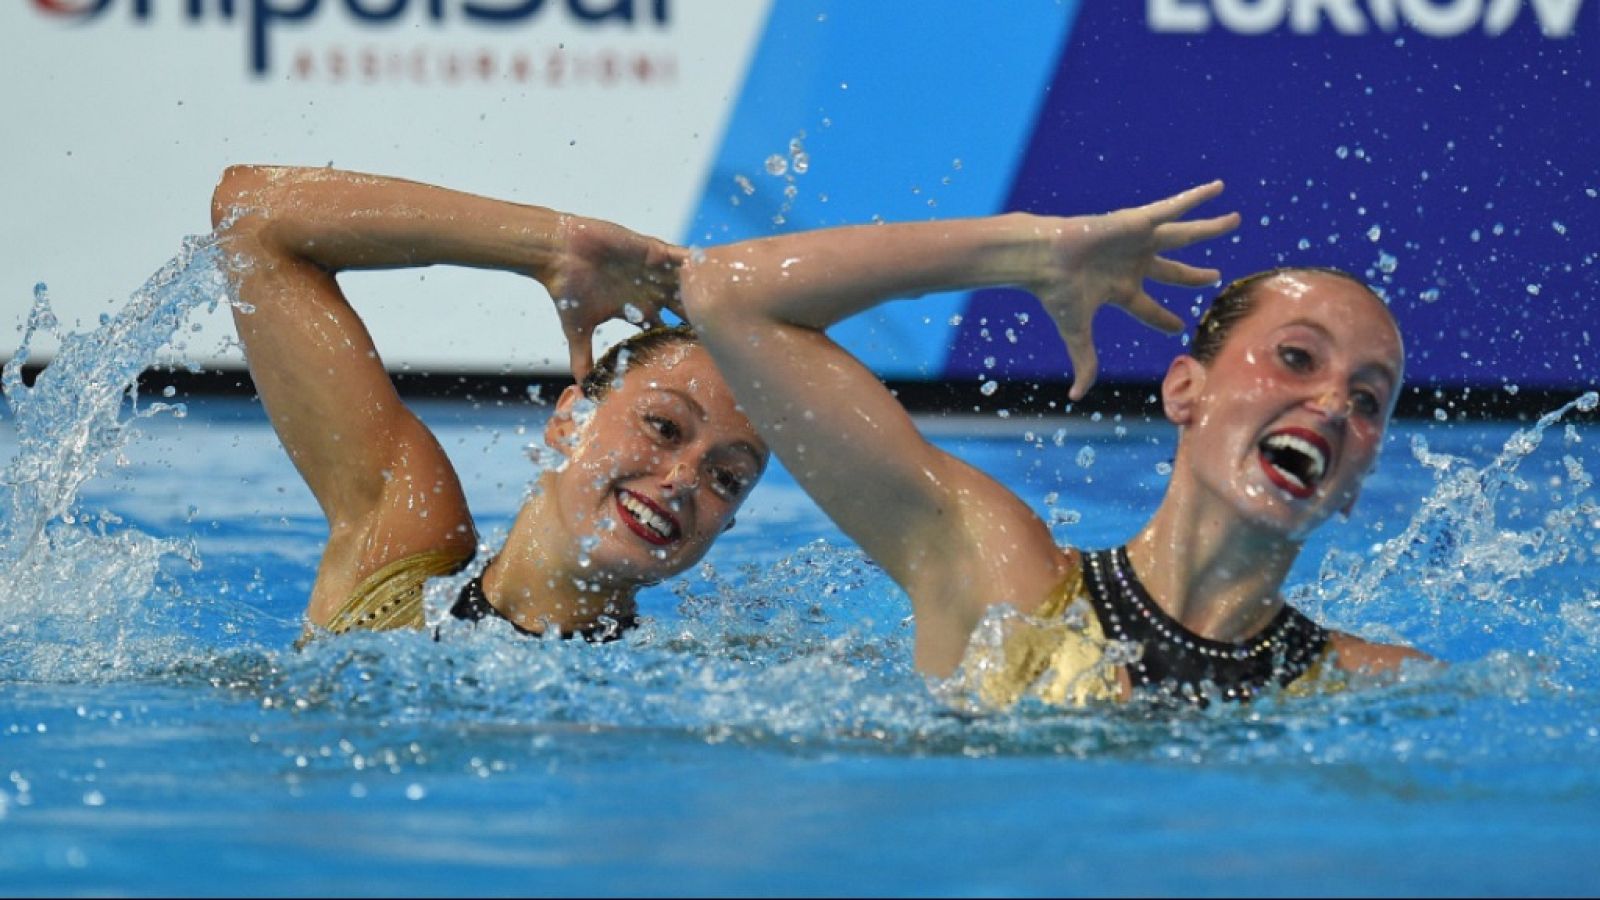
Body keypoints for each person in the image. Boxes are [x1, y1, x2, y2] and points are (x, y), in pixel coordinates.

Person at [680, 181, 1428, 706]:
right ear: (1184, 391)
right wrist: (1026, 252)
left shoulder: (1377, 686)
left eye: (1367, 400)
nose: (1332, 403)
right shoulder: (1007, 587)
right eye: (1296, 358)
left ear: (1357, 479)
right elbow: (727, 297)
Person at [210, 166, 768, 643]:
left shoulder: (694, 685)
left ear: (731, 523)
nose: (683, 478)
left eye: (727, 477)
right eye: (664, 427)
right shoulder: (399, 558)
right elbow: (253, 218)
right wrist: (549, 247)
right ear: (570, 419)